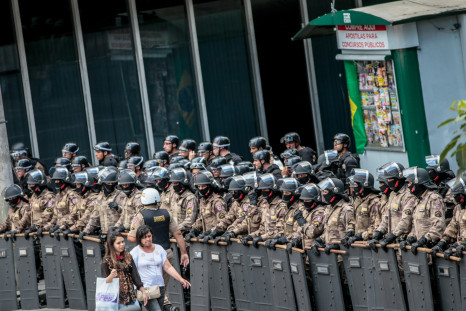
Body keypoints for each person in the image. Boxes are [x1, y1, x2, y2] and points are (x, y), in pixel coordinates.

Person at [127, 188, 189, 311]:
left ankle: (163, 307)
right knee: (161, 287)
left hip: (147, 255)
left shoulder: (140, 215)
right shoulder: (166, 213)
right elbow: (177, 233)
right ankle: (166, 306)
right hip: (165, 253)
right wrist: (184, 252)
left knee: (150, 287)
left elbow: (132, 238)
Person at [130, 225, 191, 311]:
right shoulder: (135, 252)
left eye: (149, 236)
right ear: (139, 239)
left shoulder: (159, 248)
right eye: (144, 237)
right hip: (145, 288)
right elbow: (131, 271)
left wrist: (181, 279)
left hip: (160, 287)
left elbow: (168, 267)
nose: (147, 239)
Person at [101, 231, 147, 309]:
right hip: (117, 299)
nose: (122, 244)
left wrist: (142, 290)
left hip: (131, 297)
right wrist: (111, 276)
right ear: (112, 245)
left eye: (123, 242)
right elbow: (104, 282)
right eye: (118, 243)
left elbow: (135, 275)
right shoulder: (107, 260)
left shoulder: (128, 256)